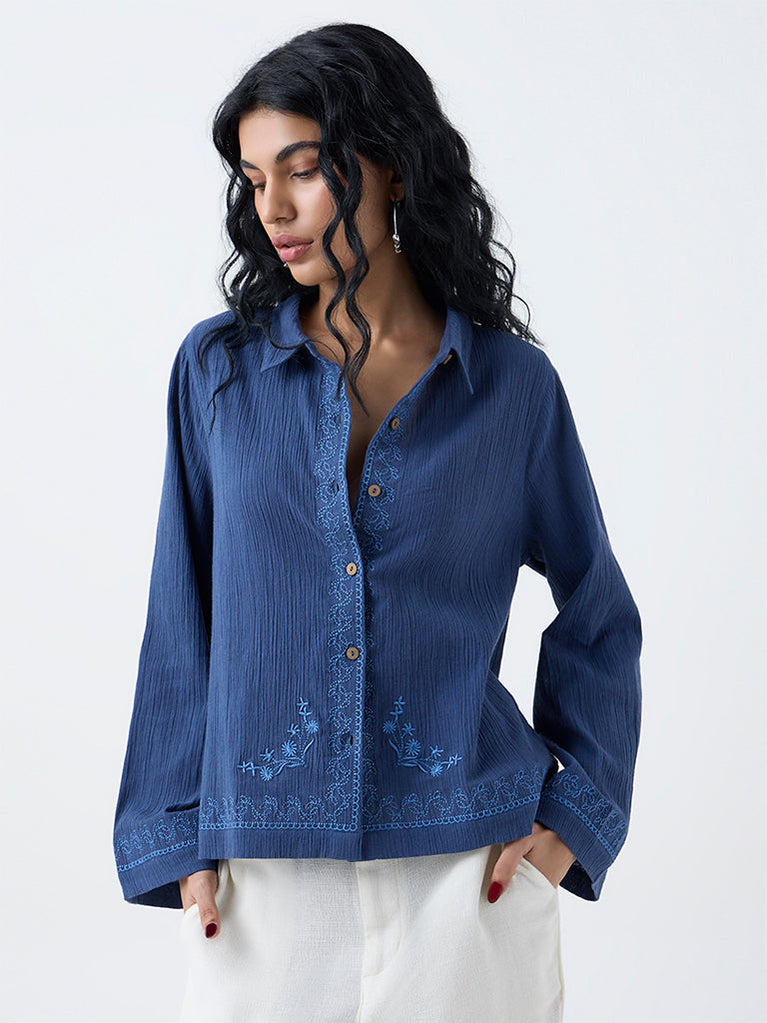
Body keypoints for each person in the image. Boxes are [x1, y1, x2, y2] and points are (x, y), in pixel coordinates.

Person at [112, 21, 642, 1023]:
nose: (272, 208)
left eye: (303, 170)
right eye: (253, 179)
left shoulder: (511, 389)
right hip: (261, 886)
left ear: (391, 167)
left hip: (470, 877)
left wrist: (570, 821)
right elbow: (179, 616)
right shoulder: (217, 374)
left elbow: (598, 614)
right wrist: (175, 837)